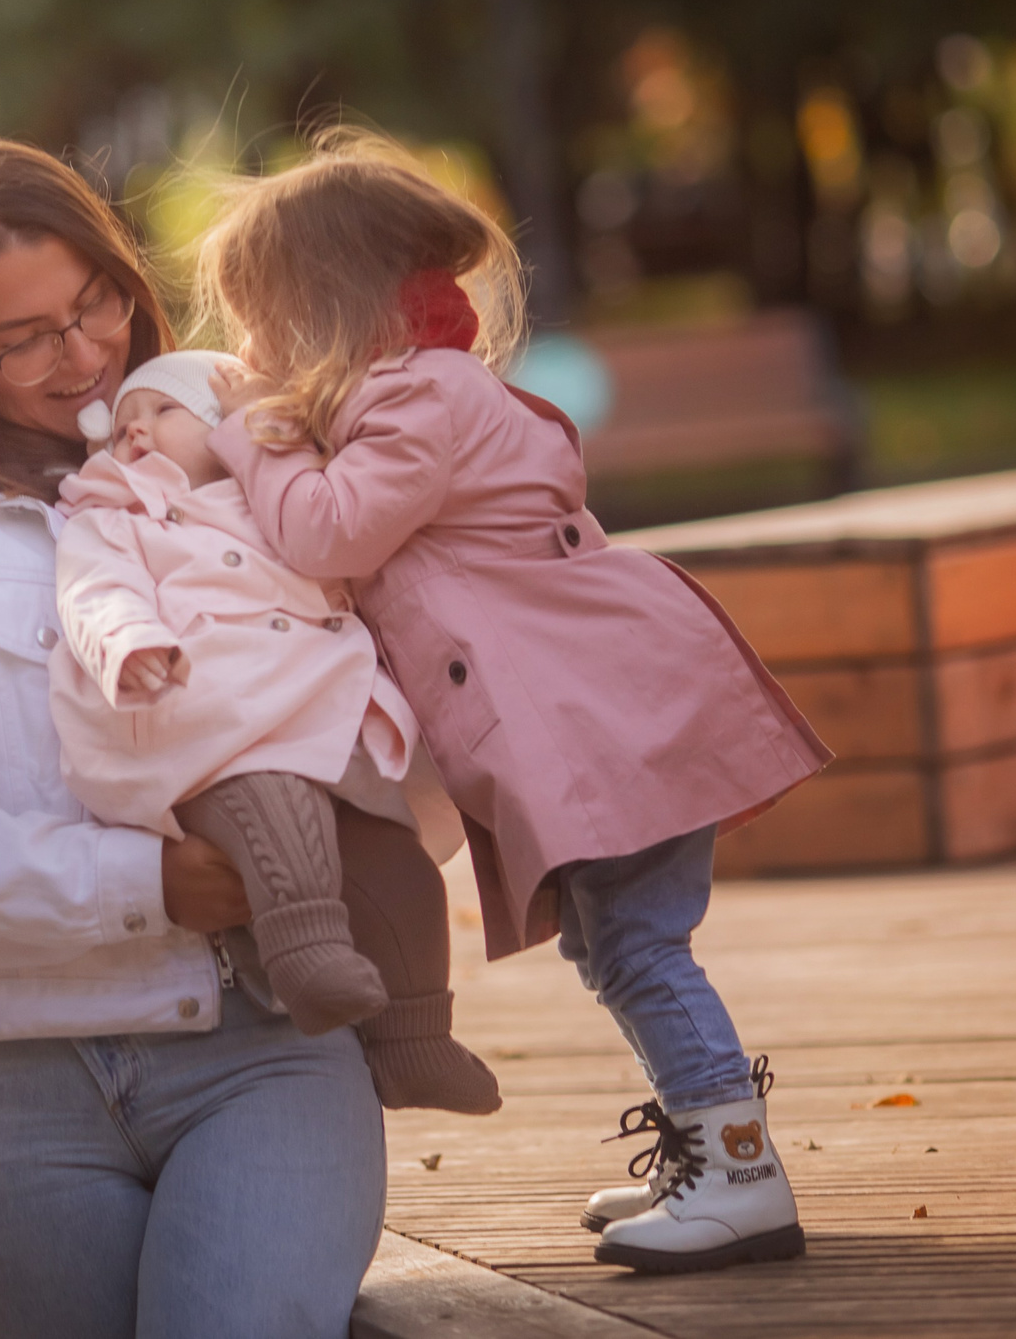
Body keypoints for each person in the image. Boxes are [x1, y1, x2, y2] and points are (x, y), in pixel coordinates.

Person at [0, 139, 386, 1339]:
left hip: (257, 1048)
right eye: (26, 338)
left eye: (96, 297)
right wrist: (150, 882)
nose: (89, 350)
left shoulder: (231, 461)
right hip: (12, 1090)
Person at [193, 127, 834, 1277]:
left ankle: (737, 1171)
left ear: (328, 305)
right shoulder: (418, 393)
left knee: (640, 948)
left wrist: (251, 440)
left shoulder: (416, 399)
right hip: (602, 719)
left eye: (260, 318)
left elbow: (325, 532)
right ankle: (703, 1142)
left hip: (609, 725)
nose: (247, 347)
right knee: (614, 946)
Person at [51, 350, 499, 1113]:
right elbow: (93, 589)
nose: (136, 431)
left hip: (320, 711)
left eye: (163, 412)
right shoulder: (114, 513)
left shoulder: (277, 497)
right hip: (212, 725)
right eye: (124, 421)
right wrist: (124, 641)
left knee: (397, 864)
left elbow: (342, 531)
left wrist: (269, 434)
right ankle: (305, 954)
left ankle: (415, 1037)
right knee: (274, 808)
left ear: (229, 427)